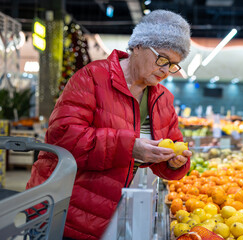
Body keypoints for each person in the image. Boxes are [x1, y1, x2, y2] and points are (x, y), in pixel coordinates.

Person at [26, 10, 192, 240]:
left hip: (116, 216)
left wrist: (175, 162)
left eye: (174, 65)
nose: (165, 70)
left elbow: (171, 147)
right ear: (139, 46)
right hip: (66, 210)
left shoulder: (163, 99)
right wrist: (129, 147)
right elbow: (62, 137)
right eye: (162, 59)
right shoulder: (92, 78)